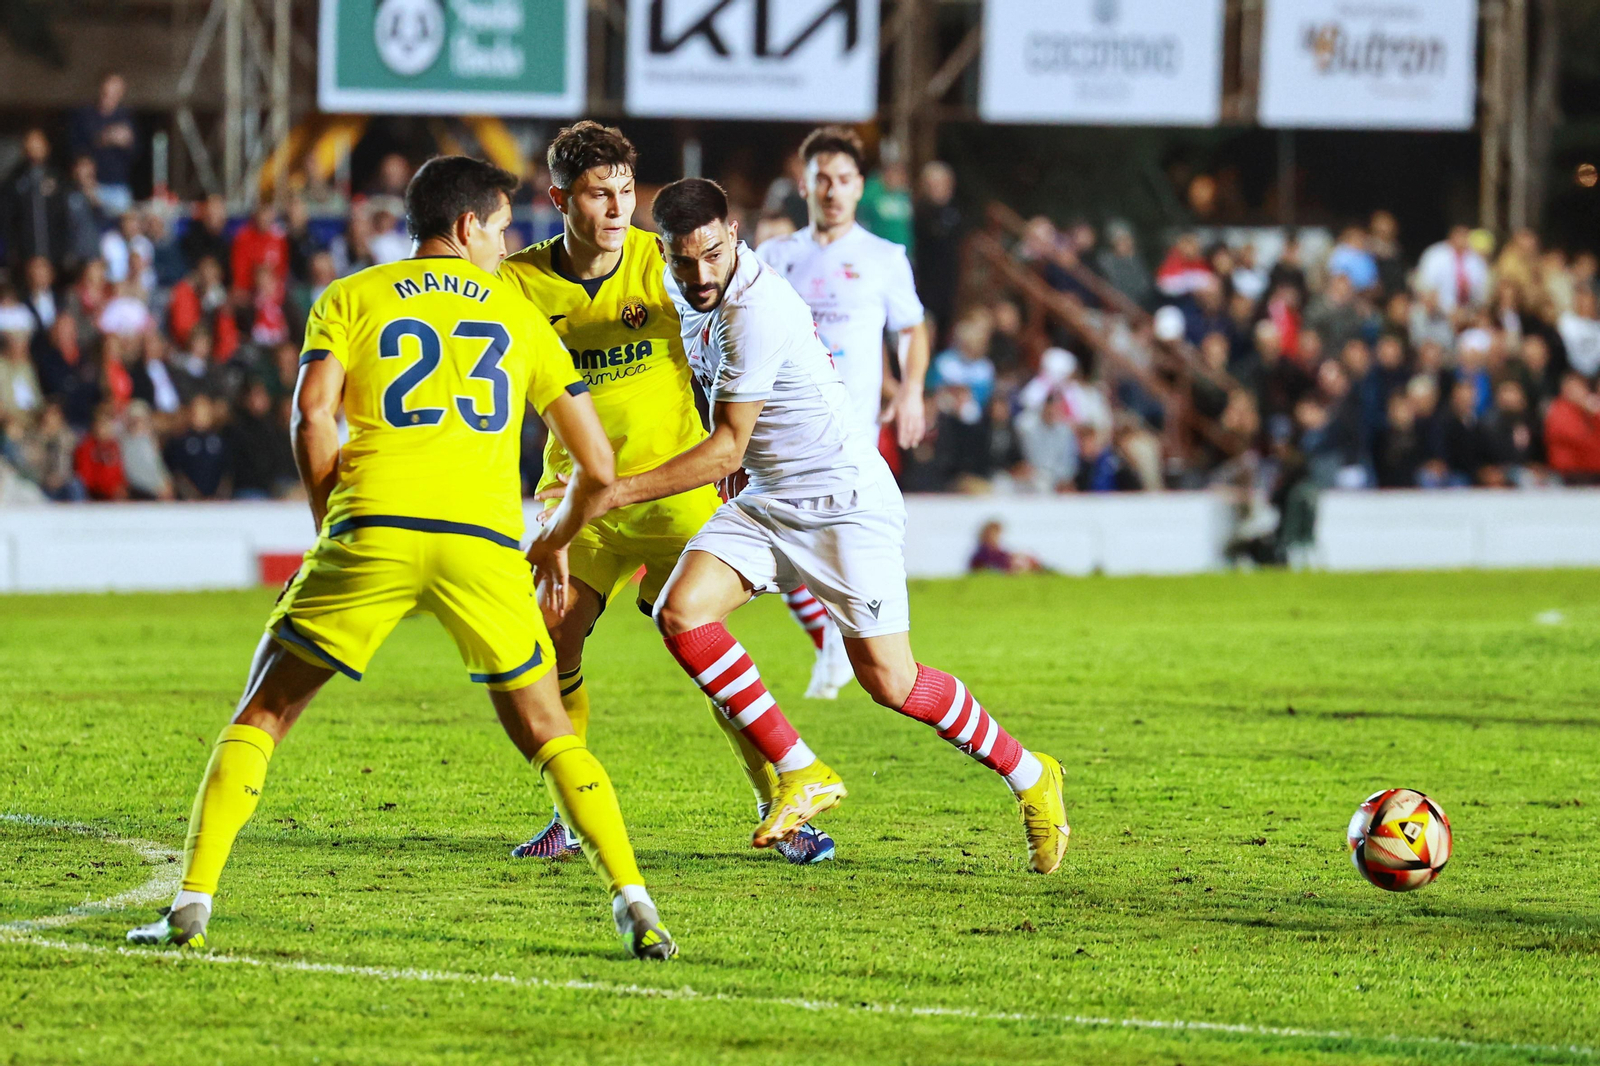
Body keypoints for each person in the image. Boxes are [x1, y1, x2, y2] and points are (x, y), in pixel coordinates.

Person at [125, 155, 675, 960]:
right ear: (465, 228)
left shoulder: (350, 295)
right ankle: (635, 903)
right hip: (482, 541)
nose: (504, 243)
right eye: (498, 228)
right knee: (549, 730)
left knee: (265, 713)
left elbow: (313, 417)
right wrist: (552, 540)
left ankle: (191, 908)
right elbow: (597, 466)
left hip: (374, 523)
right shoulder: (522, 316)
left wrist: (330, 524)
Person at [551, 176, 1069, 872]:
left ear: (733, 235)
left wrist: (612, 492)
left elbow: (726, 446)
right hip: (769, 497)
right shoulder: (684, 291)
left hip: (843, 502)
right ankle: (800, 770)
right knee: (679, 613)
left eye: (710, 255)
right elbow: (719, 410)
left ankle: (1032, 774)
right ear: (667, 253)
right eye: (683, 260)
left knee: (890, 682)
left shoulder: (755, 309)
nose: (699, 274)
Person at [499, 123, 837, 866]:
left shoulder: (666, 264)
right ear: (560, 198)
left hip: (672, 489)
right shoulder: (517, 284)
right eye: (599, 194)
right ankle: (569, 808)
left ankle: (782, 799)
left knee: (703, 647)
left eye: (625, 192)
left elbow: (740, 333)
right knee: (551, 641)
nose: (618, 209)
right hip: (580, 499)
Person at [756, 126, 931, 699]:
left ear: (861, 188)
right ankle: (832, 652)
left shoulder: (883, 258)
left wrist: (909, 390)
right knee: (779, 551)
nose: (832, 190)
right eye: (822, 179)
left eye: (845, 180)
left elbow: (911, 329)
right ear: (803, 185)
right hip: (782, 429)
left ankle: (844, 661)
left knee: (844, 551)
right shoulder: (775, 258)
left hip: (851, 433)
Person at [68, 72, 138, 215]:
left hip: (118, 187)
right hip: (91, 187)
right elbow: (76, 148)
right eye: (108, 90)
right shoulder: (85, 116)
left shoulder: (126, 117)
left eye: (116, 91)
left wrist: (128, 142)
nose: (111, 95)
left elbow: (137, 153)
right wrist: (106, 137)